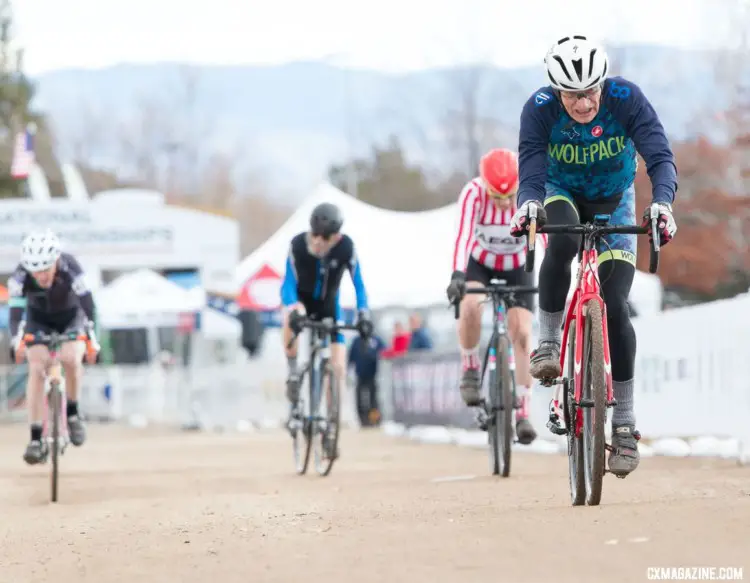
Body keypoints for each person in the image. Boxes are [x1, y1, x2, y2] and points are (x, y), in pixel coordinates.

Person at [509, 35, 678, 476]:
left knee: (618, 307)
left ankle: (623, 424)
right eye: (572, 94)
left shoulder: (625, 98)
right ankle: (547, 343)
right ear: (556, 90)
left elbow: (659, 154)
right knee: (562, 238)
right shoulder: (539, 107)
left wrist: (662, 202)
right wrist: (528, 202)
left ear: (603, 83)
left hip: (614, 201)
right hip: (561, 192)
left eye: (589, 92)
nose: (583, 104)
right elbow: (530, 164)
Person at [446, 147, 546, 445]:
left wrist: (559, 274)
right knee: (471, 306)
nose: (503, 203)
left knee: (522, 333)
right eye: (495, 197)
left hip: (518, 265)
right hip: (481, 264)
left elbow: (545, 235)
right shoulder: (473, 193)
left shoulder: (529, 191)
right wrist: (457, 275)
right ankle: (470, 366)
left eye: (508, 196)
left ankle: (523, 412)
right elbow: (462, 235)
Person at [7, 230, 100, 465]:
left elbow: (89, 305)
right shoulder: (20, 276)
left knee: (71, 357)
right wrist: (15, 338)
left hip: (71, 318)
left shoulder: (72, 267)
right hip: (38, 321)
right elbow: (16, 312)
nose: (41, 275)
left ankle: (73, 412)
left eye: (46, 268)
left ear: (56, 261)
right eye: (35, 270)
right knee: (36, 366)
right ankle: (36, 437)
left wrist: (92, 338)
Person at [280, 202, 373, 408]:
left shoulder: (346, 247)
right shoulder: (297, 245)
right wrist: (292, 307)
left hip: (329, 306)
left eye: (325, 238)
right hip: (301, 302)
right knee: (289, 315)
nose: (319, 242)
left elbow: (359, 285)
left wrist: (364, 314)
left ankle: (330, 422)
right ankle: (293, 371)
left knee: (337, 367)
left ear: (336, 237)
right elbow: (287, 284)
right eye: (315, 235)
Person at [347, 332, 386, 426]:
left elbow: (384, 352)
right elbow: (351, 356)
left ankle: (374, 420)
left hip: (372, 375)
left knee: (374, 400)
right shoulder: (356, 340)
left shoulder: (376, 339)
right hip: (360, 375)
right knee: (360, 399)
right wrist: (348, 371)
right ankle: (363, 420)